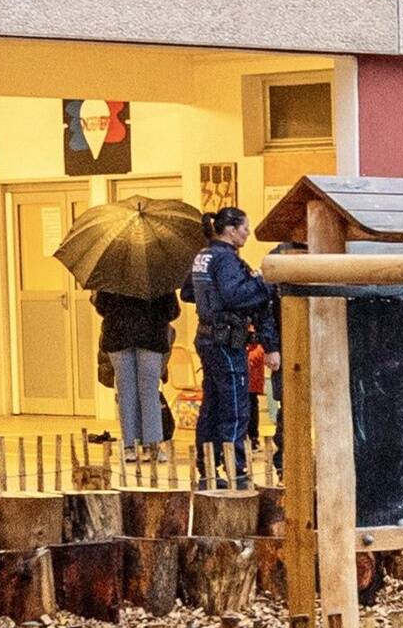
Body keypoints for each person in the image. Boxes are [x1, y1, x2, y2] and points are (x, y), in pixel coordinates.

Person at [187, 210, 275, 489]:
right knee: (236, 407)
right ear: (231, 230)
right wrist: (261, 283)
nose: (248, 233)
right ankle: (236, 469)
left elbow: (188, 292)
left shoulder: (204, 255)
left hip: (207, 337)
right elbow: (234, 294)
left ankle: (208, 468)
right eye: (245, 228)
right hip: (226, 341)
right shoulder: (225, 258)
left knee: (211, 406)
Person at [97, 276, 180, 456]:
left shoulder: (111, 272)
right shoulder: (159, 273)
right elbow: (172, 311)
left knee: (126, 392)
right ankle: (153, 446)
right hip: (151, 337)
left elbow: (101, 306)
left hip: (118, 336)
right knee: (149, 391)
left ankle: (129, 447)